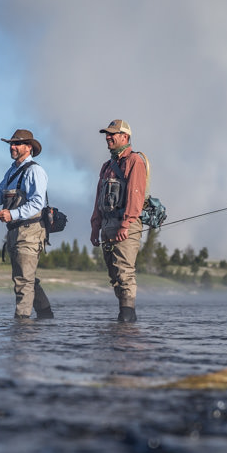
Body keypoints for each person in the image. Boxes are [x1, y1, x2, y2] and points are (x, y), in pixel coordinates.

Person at [0, 129, 54, 320]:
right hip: (15, 232)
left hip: (31, 232)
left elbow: (38, 202)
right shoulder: (12, 170)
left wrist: (12, 213)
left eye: (17, 144)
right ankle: (46, 317)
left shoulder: (35, 171)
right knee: (25, 278)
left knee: (23, 280)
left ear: (28, 147)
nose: (12, 147)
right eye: (11, 144)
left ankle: (21, 326)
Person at [90, 119, 148, 323]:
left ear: (125, 137)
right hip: (106, 225)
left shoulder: (135, 161)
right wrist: (95, 226)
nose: (108, 137)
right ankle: (124, 323)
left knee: (124, 272)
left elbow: (136, 195)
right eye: (107, 134)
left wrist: (126, 223)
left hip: (126, 224)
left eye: (112, 134)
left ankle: (127, 322)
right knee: (114, 274)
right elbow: (98, 197)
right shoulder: (107, 166)